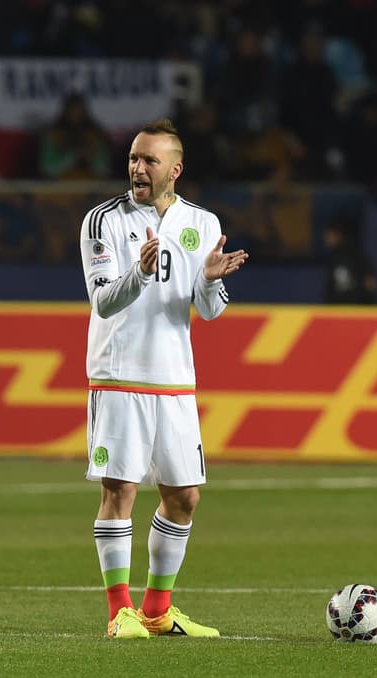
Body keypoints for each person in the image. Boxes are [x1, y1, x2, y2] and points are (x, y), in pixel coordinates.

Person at [79, 118, 248, 640]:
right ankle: (119, 613)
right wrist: (141, 273)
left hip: (175, 379)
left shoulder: (202, 222)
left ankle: (156, 611)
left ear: (174, 169)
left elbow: (208, 310)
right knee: (120, 490)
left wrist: (210, 282)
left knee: (185, 497)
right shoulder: (102, 221)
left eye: (149, 160)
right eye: (133, 158)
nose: (137, 168)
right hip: (120, 374)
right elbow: (103, 300)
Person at [322, 215, 377, 304]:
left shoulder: (356, 255)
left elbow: (370, 284)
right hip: (339, 309)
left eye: (328, 235)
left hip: (355, 308)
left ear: (338, 235)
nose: (326, 239)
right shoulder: (333, 256)